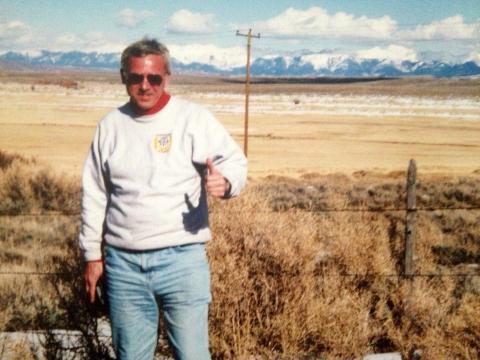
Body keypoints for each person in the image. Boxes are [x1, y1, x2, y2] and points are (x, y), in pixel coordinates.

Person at [79, 38, 247, 360]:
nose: (145, 85)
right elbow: (94, 193)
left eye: (154, 78)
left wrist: (225, 182)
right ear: (123, 78)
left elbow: (234, 162)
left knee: (193, 355)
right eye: (136, 78)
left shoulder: (193, 119)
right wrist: (91, 255)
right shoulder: (110, 127)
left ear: (166, 77)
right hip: (123, 264)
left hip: (182, 259)